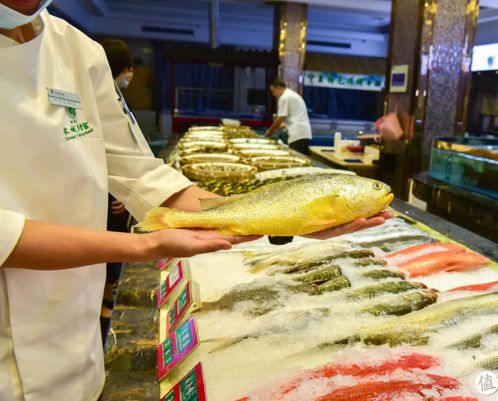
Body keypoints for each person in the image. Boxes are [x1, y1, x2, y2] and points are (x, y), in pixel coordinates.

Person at [0, 3, 392, 401]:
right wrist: (144, 245)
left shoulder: (80, 51)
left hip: (78, 357)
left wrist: (271, 215)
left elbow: (139, 171)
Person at [99, 39, 136, 342]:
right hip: (106, 198)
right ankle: (105, 311)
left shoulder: (114, 96)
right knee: (110, 254)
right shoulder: (107, 98)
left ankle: (106, 304)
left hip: (109, 193)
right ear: (125, 69)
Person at [266, 79, 312, 156]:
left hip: (297, 135)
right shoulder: (292, 94)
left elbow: (281, 118)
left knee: (296, 161)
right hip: (304, 134)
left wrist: (269, 132)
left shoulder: (284, 97)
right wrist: (277, 128)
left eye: (273, 91)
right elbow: (294, 118)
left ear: (279, 88)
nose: (273, 94)